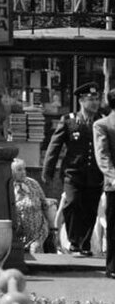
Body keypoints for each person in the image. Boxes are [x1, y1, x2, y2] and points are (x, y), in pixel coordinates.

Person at [43, 82, 105, 257]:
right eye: (90, 99)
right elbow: (54, 146)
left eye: (96, 99)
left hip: (95, 174)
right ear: (81, 101)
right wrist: (48, 170)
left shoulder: (102, 120)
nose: (94, 103)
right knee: (71, 203)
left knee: (90, 208)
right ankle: (74, 241)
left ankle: (84, 244)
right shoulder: (69, 120)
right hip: (73, 173)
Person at [93, 87, 115, 277]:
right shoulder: (103, 124)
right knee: (114, 226)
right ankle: (113, 267)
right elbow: (103, 155)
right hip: (114, 184)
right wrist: (113, 176)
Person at [11, 158, 52, 256]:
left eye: (24, 169)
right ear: (12, 172)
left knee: (36, 249)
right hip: (19, 232)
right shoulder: (10, 186)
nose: (23, 172)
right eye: (19, 170)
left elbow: (44, 202)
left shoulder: (32, 183)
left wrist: (52, 227)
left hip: (38, 229)